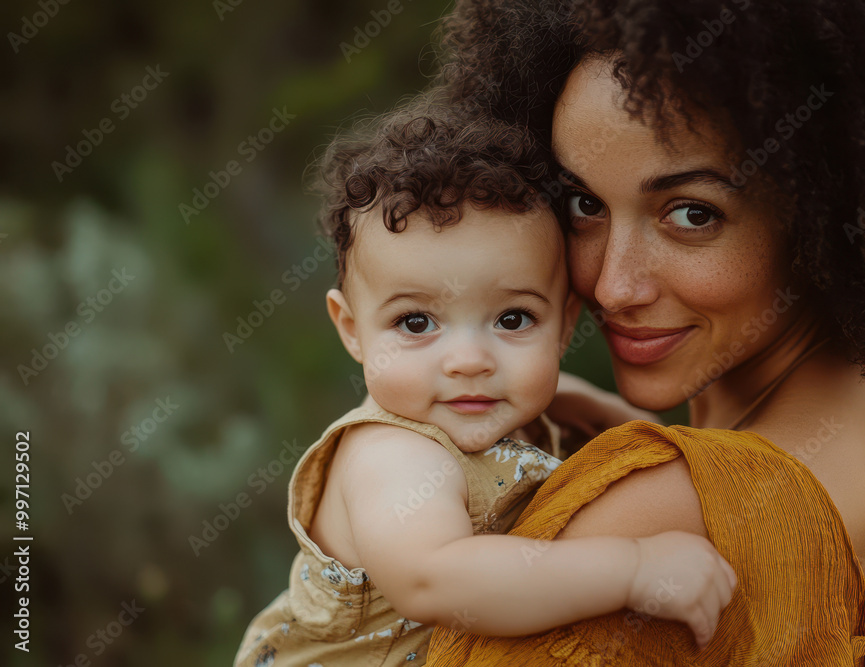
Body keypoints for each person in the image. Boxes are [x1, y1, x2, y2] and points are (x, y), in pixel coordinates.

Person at [426, 1, 865, 664]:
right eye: (584, 204)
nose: (613, 284)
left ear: (825, 206)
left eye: (692, 214)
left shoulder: (662, 518)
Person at [234, 99, 738, 667]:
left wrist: (607, 415)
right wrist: (634, 569)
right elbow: (434, 579)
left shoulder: (512, 407)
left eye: (513, 319)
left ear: (564, 323)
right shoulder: (392, 458)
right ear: (351, 329)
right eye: (416, 323)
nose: (469, 360)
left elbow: (623, 439)